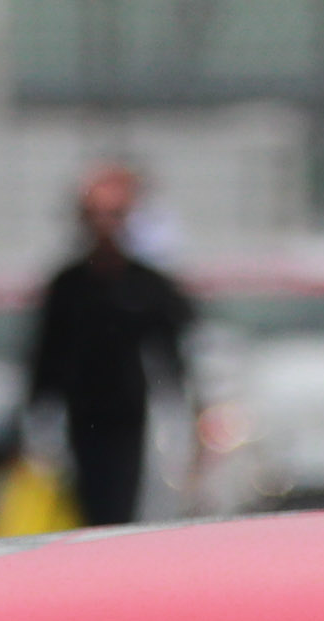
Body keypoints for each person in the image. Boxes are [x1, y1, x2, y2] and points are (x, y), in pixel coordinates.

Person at [23, 167, 194, 530]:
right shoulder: (68, 284)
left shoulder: (147, 284)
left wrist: (187, 408)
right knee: (86, 502)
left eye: (114, 214)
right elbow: (45, 353)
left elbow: (175, 349)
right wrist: (35, 414)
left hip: (132, 412)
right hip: (80, 411)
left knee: (132, 501)